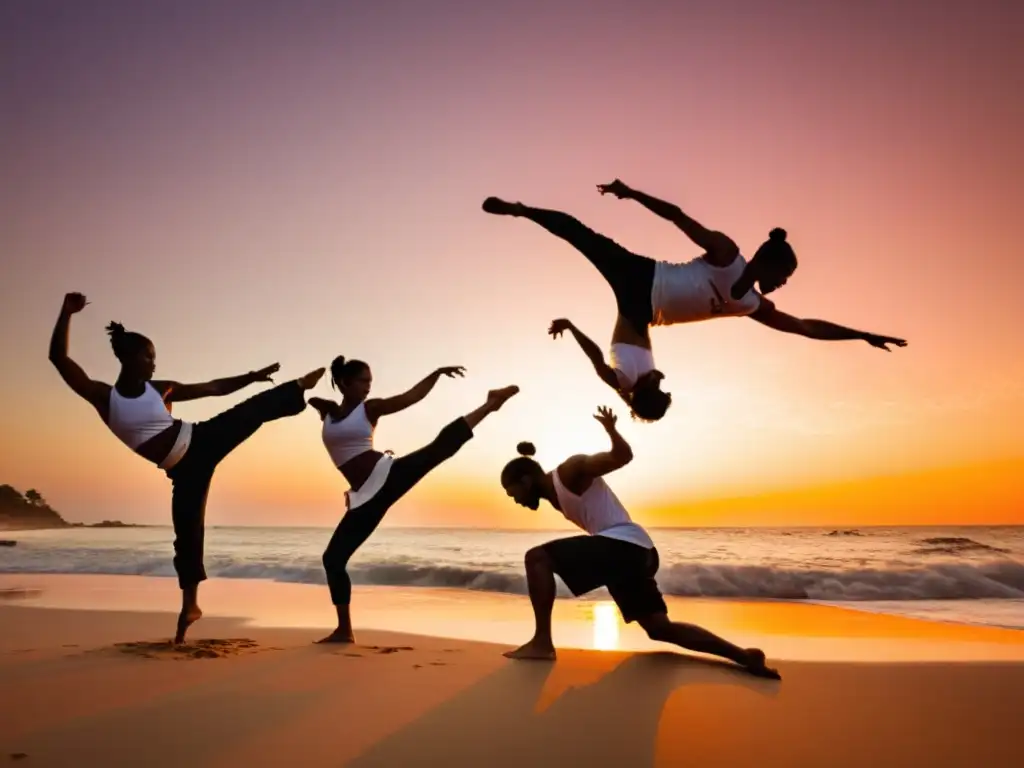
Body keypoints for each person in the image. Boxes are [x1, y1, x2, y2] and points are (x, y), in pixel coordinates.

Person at [483, 181, 906, 422]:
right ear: (766, 261)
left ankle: (524, 211)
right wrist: (630, 192)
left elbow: (806, 327)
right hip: (641, 274)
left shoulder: (751, 307)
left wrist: (861, 335)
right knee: (580, 235)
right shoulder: (725, 253)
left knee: (585, 245)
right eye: (784, 276)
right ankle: (520, 209)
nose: (783, 285)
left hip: (641, 316)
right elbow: (677, 215)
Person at [47, 292, 325, 643]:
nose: (153, 363)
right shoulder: (104, 396)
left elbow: (213, 388)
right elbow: (58, 358)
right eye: (149, 356)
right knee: (187, 537)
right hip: (183, 472)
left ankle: (297, 388)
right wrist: (66, 312)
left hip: (199, 440)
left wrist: (252, 376)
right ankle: (190, 606)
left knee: (247, 413)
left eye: (154, 357)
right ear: (130, 358)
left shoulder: (160, 389)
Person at [498, 405, 781, 679]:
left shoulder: (569, 472)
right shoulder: (555, 497)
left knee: (537, 557)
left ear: (525, 480)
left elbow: (622, 456)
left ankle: (542, 643)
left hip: (625, 546)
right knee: (659, 628)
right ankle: (745, 656)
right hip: (637, 553)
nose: (518, 502)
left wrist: (612, 430)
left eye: (514, 494)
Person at [310, 355, 520, 643]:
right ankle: (344, 630)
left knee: (438, 449)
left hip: (387, 476)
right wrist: (321, 403)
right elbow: (314, 403)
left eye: (370, 381)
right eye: (363, 381)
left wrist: (436, 372)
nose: (368, 387)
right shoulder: (330, 414)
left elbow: (411, 397)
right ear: (345, 382)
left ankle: (490, 404)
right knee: (333, 559)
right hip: (364, 498)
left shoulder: (370, 409)